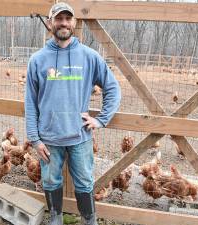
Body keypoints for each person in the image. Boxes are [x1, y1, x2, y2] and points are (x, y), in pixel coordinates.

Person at [25, 2, 121, 225]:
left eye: (68, 19)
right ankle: (56, 218)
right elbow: (30, 103)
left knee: (85, 183)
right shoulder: (37, 60)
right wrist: (34, 138)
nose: (64, 23)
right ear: (50, 23)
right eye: (59, 19)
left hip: (80, 137)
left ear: (74, 23)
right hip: (48, 139)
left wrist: (101, 119)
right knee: (50, 181)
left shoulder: (89, 57)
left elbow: (113, 88)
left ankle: (89, 220)